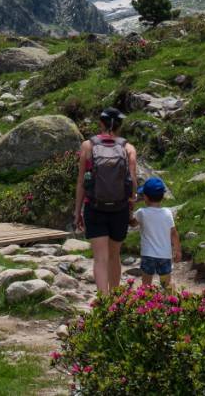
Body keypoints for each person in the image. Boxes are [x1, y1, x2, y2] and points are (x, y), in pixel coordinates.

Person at [74, 107, 138, 294]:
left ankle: (103, 303)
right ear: (119, 125)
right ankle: (116, 299)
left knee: (100, 258)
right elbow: (132, 182)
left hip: (94, 207)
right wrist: (130, 207)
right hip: (119, 209)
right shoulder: (128, 148)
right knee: (114, 255)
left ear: (101, 123)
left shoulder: (88, 146)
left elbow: (81, 182)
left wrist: (77, 212)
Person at [131, 177, 180, 287]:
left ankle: (146, 302)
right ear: (162, 196)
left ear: (145, 197)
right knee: (166, 284)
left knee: (146, 285)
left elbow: (132, 223)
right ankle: (168, 302)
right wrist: (178, 250)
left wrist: (130, 208)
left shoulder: (141, 213)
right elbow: (173, 233)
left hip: (148, 255)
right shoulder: (168, 213)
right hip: (165, 255)